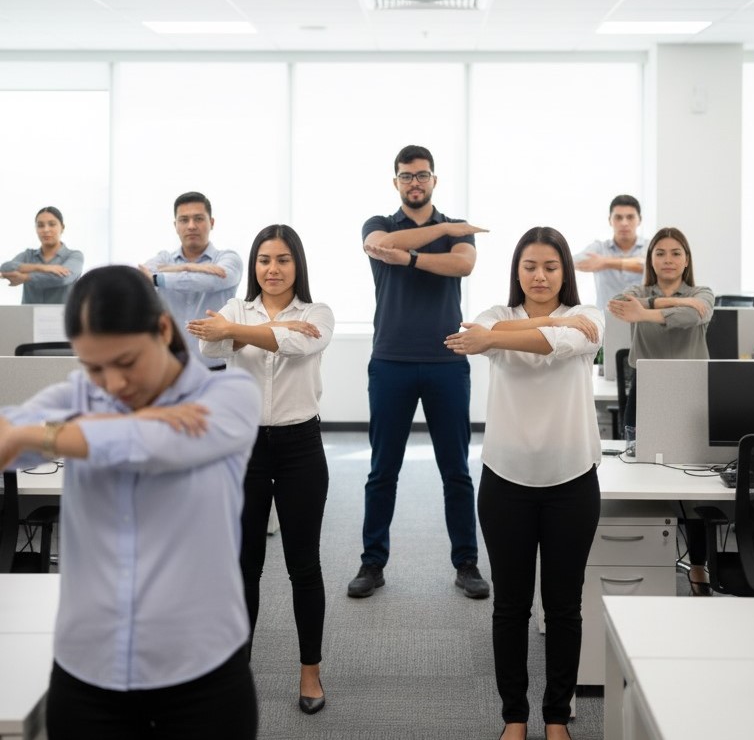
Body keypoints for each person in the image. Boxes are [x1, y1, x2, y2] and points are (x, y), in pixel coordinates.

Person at [0, 265, 260, 740]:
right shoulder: (77, 394)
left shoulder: (227, 396)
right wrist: (29, 433)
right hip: (89, 670)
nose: (113, 384)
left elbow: (149, 441)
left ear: (163, 329)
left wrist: (42, 434)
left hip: (199, 673)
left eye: (125, 362)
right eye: (94, 368)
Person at [445, 226, 603, 740]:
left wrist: (495, 340)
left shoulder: (590, 318)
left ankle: (556, 716)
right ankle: (514, 716)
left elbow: (561, 342)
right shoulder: (494, 315)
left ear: (565, 272)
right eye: (530, 266)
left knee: (564, 606)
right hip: (506, 479)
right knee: (511, 605)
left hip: (571, 478)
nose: (539, 276)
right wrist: (494, 336)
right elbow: (482, 337)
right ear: (517, 270)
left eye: (550, 267)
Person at [188, 224, 333, 716]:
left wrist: (238, 332)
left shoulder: (317, 314)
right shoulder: (236, 308)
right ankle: (237, 674)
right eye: (265, 259)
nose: (273, 269)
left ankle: (310, 672)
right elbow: (210, 347)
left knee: (303, 566)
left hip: (300, 449)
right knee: (243, 567)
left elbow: (294, 347)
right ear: (254, 265)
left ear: (298, 265)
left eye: (283, 260)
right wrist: (244, 331)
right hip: (244, 448)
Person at [348, 144, 490, 600]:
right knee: (381, 470)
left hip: (447, 360)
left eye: (422, 175)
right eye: (407, 176)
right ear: (396, 182)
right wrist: (443, 230)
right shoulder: (381, 224)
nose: (415, 182)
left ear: (434, 180)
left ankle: (466, 563)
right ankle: (373, 563)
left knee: (456, 471)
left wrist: (410, 256)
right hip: (391, 360)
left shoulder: (456, 234)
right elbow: (378, 246)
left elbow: (463, 265)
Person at [607, 226, 715, 593]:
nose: (668, 260)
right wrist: (671, 305)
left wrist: (650, 311)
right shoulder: (636, 291)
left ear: (687, 260)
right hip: (646, 389)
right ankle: (647, 557)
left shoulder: (703, 293)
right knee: (642, 473)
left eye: (675, 253)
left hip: (691, 389)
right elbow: (622, 306)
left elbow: (697, 315)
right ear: (650, 260)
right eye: (660, 253)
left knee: (695, 483)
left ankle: (698, 564)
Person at [140, 191, 242, 355]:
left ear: (212, 222)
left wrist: (159, 278)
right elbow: (141, 276)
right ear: (175, 226)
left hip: (218, 371)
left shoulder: (229, 258)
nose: (191, 226)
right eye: (184, 220)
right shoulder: (164, 258)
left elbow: (211, 281)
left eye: (199, 218)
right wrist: (187, 267)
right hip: (171, 369)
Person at [573, 195, 647, 311]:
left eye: (630, 217)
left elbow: (647, 265)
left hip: (643, 323)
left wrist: (605, 262)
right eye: (618, 217)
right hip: (605, 322)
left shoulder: (650, 247)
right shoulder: (599, 248)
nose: (624, 223)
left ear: (639, 220)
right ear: (610, 220)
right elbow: (571, 261)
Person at [0, 206, 84, 303]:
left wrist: (25, 277)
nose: (46, 230)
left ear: (62, 227)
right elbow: (5, 268)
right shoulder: (28, 255)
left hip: (60, 317)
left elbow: (63, 279)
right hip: (28, 317)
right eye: (40, 225)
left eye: (52, 224)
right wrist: (42, 268)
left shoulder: (74, 256)